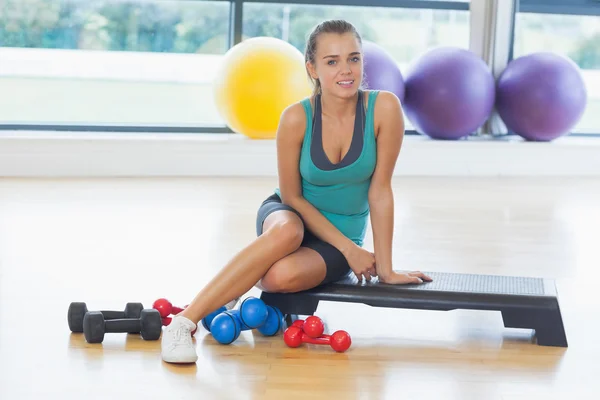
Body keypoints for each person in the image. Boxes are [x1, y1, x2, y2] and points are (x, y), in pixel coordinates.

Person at [161, 19, 432, 364]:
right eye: (331, 61)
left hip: (340, 234)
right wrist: (352, 251)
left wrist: (387, 268)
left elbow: (380, 191)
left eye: (353, 58)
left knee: (278, 278)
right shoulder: (295, 119)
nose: (345, 70)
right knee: (289, 229)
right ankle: (184, 323)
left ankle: (234, 285)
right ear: (312, 68)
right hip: (288, 214)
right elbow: (292, 197)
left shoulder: (384, 109)